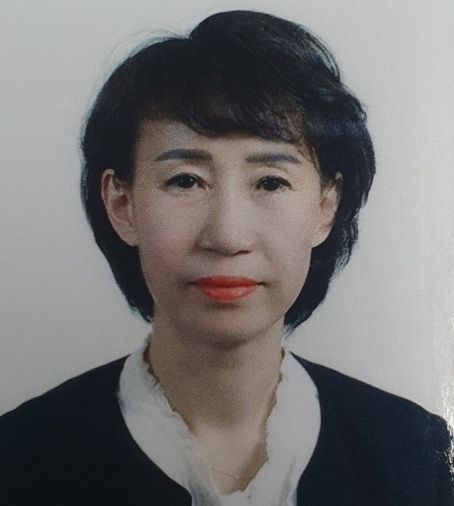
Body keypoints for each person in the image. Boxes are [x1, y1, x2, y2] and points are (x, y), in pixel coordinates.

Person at [0, 10, 452, 506]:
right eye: (186, 181)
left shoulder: (416, 454)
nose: (227, 235)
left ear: (326, 206)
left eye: (271, 182)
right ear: (121, 204)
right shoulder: (18, 459)